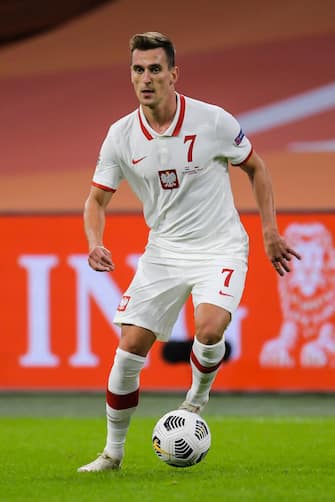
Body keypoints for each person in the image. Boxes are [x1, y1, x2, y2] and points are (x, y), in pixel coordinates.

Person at [78, 31, 301, 472]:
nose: (146, 79)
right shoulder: (121, 136)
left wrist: (270, 231)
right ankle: (112, 453)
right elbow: (96, 200)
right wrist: (94, 242)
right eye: (138, 70)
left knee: (210, 326)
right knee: (128, 350)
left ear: (174, 74)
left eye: (155, 69)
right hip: (163, 250)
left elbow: (256, 167)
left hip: (220, 245)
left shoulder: (212, 121)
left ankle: (194, 405)